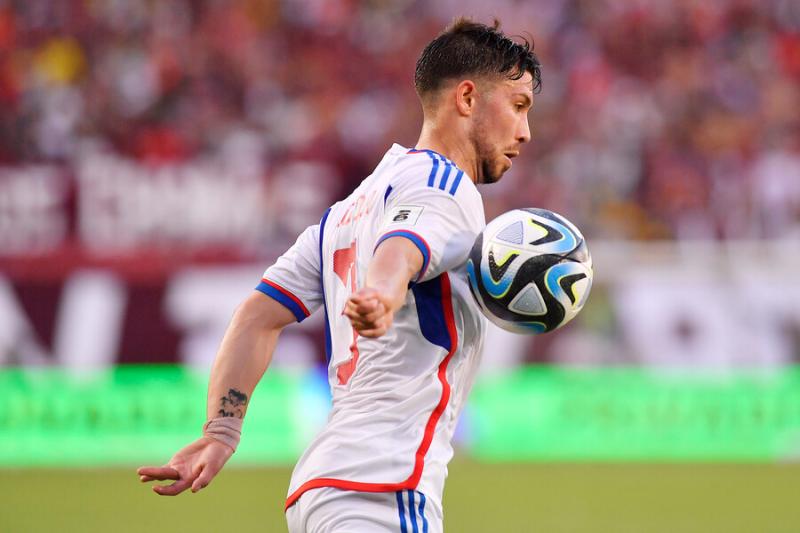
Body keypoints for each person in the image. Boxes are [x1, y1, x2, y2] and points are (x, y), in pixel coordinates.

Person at [138, 17, 541, 532]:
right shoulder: (447, 187)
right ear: (467, 98)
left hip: (324, 489)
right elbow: (403, 250)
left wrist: (221, 431)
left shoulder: (348, 210)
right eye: (519, 106)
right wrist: (382, 292)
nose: (525, 132)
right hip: (382, 490)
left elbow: (255, 317)